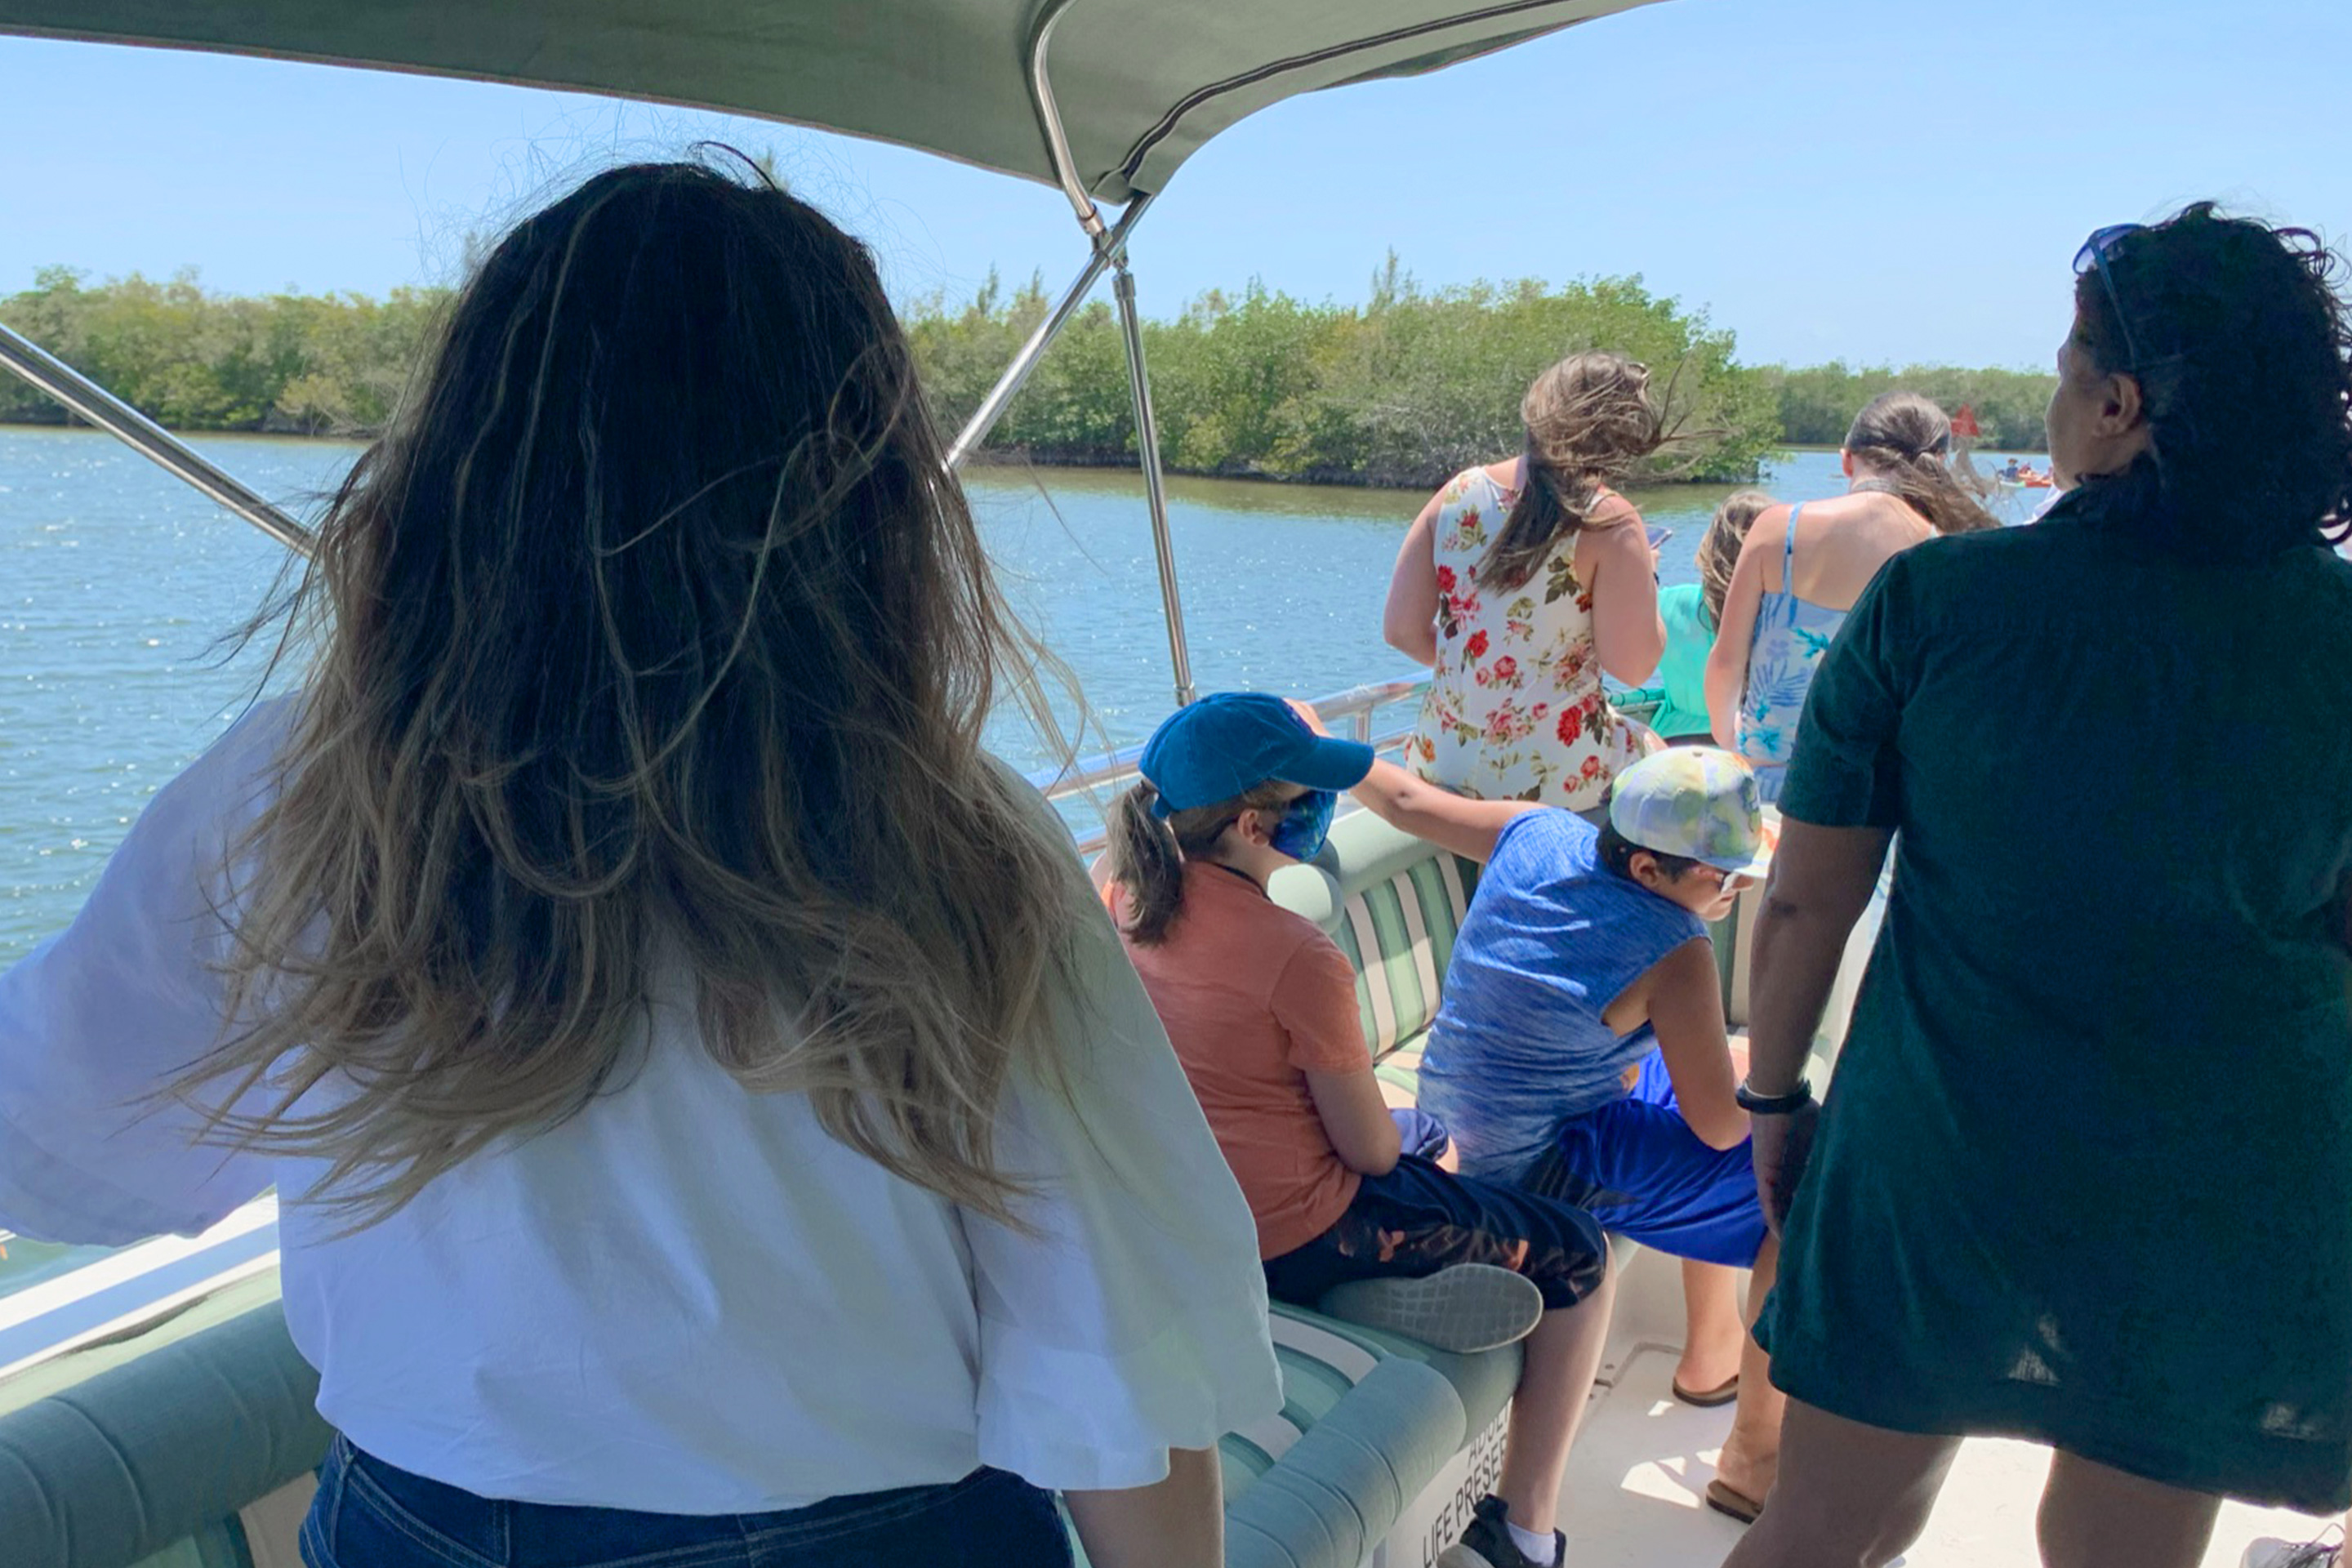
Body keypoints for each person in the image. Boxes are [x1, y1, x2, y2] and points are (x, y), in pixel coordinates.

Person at [0, 159, 1284, 1568]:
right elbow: (1112, 1331)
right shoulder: (953, 832)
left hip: (421, 1531)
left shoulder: (300, 790)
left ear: (462, 464)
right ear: (865, 493)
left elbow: (56, 1135)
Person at [1726, 206, 2352, 1568]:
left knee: (1828, 1525)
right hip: (2216, 1178)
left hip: (1943, 1152)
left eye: (2069, 367)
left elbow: (1807, 903)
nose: (2056, 396)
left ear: (2119, 403)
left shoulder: (1940, 605)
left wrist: (1774, 1099)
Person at [1105, 692, 1618, 1568]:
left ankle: (1365, 1285)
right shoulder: (1295, 954)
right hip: (1303, 1228)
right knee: (1578, 1250)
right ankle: (1527, 1530)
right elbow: (1369, 1153)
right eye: (1311, 794)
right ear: (1256, 827)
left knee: (1427, 1140)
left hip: (1197, 1221)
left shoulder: (1119, 902)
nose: (1324, 810)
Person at [1412, 747, 1787, 1521]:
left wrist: (1324, 756)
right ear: (1650, 869)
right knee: (1803, 1191)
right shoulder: (1674, 944)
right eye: (1723, 876)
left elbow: (1406, 803)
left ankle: (1712, 1355)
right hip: (1536, 1161)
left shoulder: (1539, 831)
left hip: (1471, 1113)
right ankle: (1756, 1459)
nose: (1735, 889)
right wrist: (1795, 1099)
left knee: (1713, 1076)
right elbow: (1721, 1128)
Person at [1384, 351, 1667, 813]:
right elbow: (1633, 667)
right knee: (1656, 750)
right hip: (1555, 777)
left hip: (1441, 763)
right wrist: (1647, 574)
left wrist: (1490, 682)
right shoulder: (1607, 519)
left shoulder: (1456, 493)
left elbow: (1400, 630)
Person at [1704, 391, 1997, 802]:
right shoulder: (1942, 551)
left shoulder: (1778, 529)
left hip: (1770, 785)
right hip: (1874, 794)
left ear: (1846, 460)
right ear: (1938, 465)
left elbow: (1726, 661)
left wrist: (1729, 737)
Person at [1649, 490, 1773, 742]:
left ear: (1711, 543)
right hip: (1751, 744)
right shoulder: (1782, 615)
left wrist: (1648, 573)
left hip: (1673, 743)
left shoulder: (1667, 602)